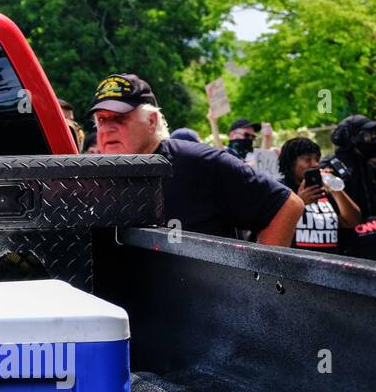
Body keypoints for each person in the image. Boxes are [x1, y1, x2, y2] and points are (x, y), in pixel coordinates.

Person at [91, 73, 302, 245]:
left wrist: (259, 288)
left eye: (120, 118)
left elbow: (286, 206)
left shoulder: (197, 162)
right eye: (102, 119)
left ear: (152, 121)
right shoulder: (94, 178)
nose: (108, 128)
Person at [276, 137, 360, 252]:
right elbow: (271, 225)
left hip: (330, 264)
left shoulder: (325, 188)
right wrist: (300, 202)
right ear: (291, 163)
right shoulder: (280, 188)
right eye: (308, 159)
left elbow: (352, 221)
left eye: (317, 159)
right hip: (295, 263)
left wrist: (336, 189)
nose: (315, 164)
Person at [331, 114, 376, 258]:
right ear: (350, 138)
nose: (373, 140)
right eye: (368, 136)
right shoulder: (331, 169)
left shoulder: (368, 165)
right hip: (349, 250)